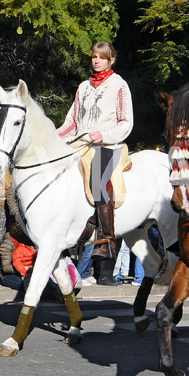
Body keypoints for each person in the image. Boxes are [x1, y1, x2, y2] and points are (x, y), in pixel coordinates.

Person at [56, 41, 133, 259]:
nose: (96, 61)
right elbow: (71, 122)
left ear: (111, 60)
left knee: (98, 179)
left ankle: (107, 240)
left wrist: (104, 135)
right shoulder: (83, 87)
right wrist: (53, 138)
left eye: (101, 57)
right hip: (81, 144)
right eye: (94, 57)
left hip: (108, 144)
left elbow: (126, 122)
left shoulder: (119, 85)